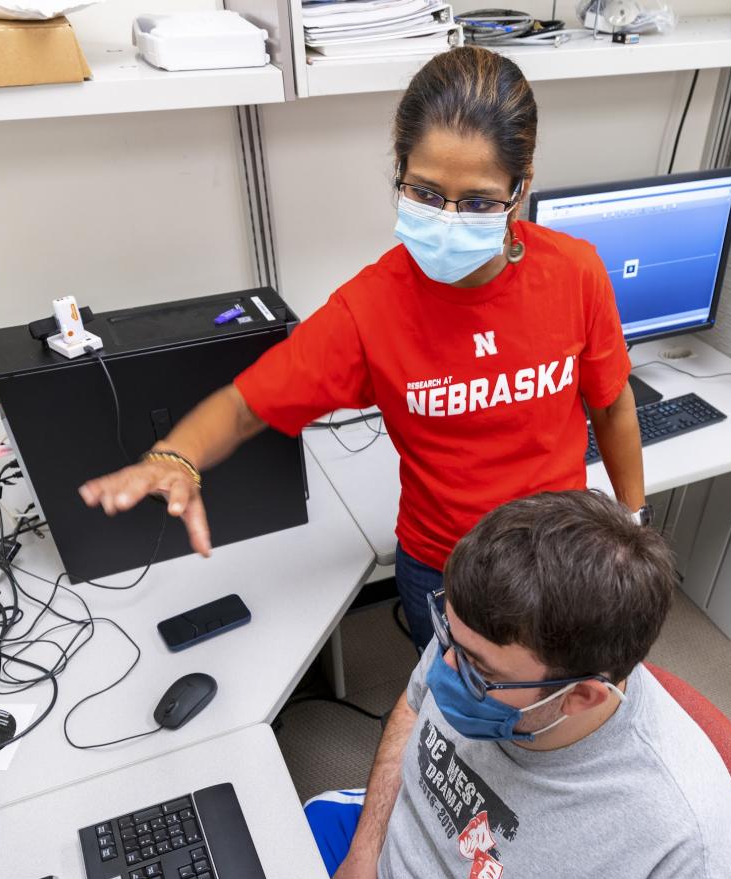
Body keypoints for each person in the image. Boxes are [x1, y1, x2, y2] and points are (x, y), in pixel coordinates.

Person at [77, 46, 647, 651]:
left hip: (557, 556)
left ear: (520, 189)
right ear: (399, 173)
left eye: (478, 201)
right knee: (455, 715)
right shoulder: (369, 310)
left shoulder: (575, 273)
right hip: (443, 568)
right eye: (425, 193)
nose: (449, 219)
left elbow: (613, 406)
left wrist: (633, 523)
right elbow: (247, 405)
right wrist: (178, 455)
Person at [302, 490, 731, 879]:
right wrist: (365, 854)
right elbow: (415, 705)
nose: (443, 670)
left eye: (480, 674)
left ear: (583, 694)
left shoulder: (684, 841)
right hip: (385, 859)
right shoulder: (473, 644)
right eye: (447, 641)